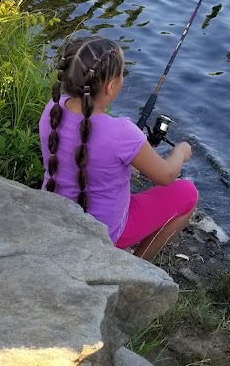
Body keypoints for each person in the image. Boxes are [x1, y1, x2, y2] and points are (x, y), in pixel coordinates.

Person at [39, 34, 198, 261]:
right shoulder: (123, 133)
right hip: (108, 231)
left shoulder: (52, 110)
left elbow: (89, 153)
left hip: (55, 214)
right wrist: (180, 152)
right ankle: (135, 265)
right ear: (111, 86)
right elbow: (166, 175)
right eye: (122, 74)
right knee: (187, 193)